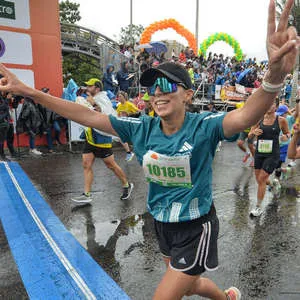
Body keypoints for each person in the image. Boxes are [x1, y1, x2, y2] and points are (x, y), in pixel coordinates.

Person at [0, 1, 298, 297]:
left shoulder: (204, 126)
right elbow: (86, 115)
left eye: (167, 87)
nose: (158, 93)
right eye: (152, 88)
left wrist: (273, 77)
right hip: (162, 224)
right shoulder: (140, 129)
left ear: (188, 95)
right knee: (190, 284)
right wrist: (29, 91)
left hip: (196, 227)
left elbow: (246, 115)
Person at [71, 78, 133, 203]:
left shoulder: (102, 98)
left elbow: (104, 114)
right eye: (87, 86)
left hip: (101, 137)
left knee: (111, 165)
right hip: (90, 135)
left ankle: (127, 185)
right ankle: (87, 194)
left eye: (90, 86)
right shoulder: (92, 97)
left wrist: (93, 103)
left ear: (97, 88)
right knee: (86, 164)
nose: (87, 88)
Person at [248, 101, 289, 217]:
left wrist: (284, 137)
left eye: (271, 104)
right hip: (260, 153)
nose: (269, 106)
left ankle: (258, 207)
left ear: (275, 106)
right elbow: (250, 135)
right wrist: (253, 132)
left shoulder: (281, 120)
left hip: (273, 154)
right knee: (260, 179)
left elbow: (287, 133)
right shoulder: (259, 119)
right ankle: (272, 185)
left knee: (261, 179)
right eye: (267, 104)